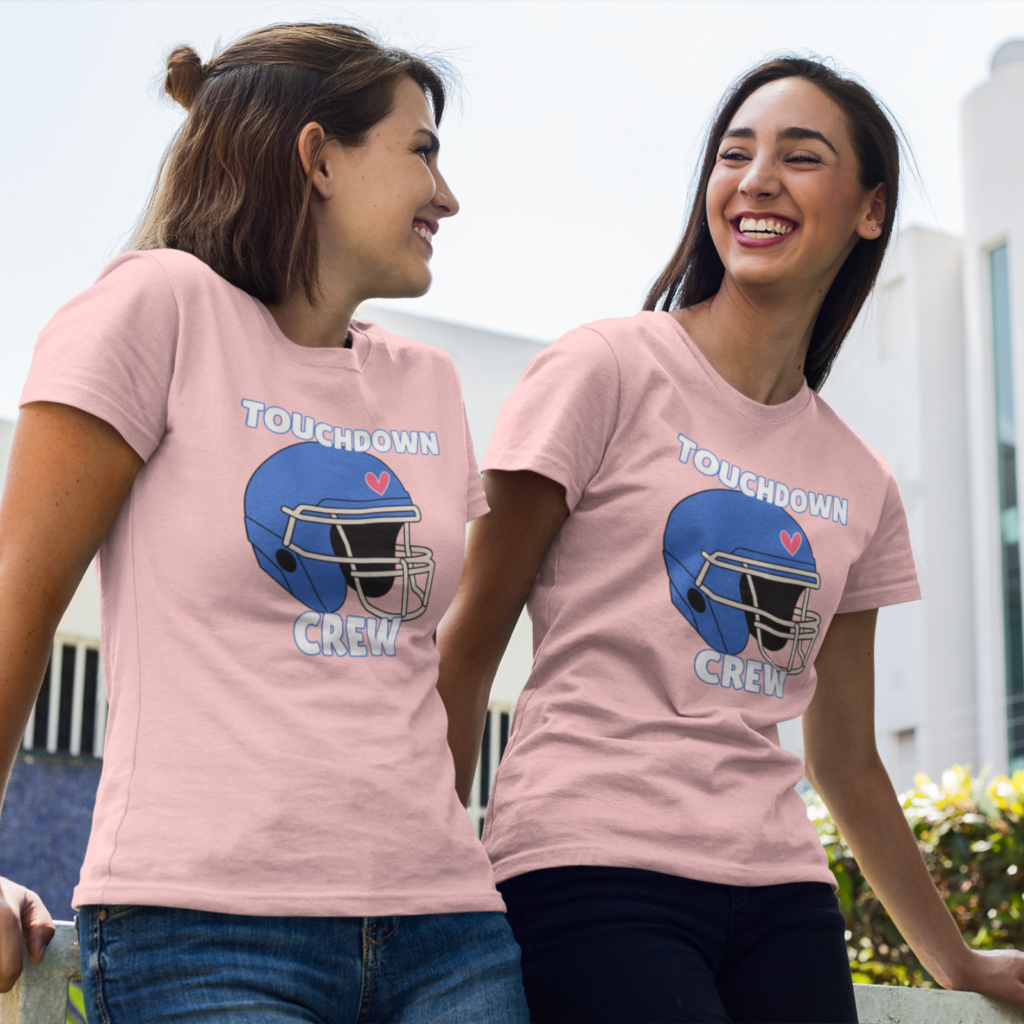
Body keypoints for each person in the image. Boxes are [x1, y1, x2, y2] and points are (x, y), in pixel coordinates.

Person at [436, 56, 1024, 1023]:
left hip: (782, 895)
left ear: (869, 209)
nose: (755, 180)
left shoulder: (859, 481)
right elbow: (468, 643)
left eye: (800, 156)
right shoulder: (601, 370)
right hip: (588, 865)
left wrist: (955, 960)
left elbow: (845, 760)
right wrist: (423, 880)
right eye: (733, 154)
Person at [0, 23, 528, 1024]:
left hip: (449, 934)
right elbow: (16, 597)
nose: (446, 197)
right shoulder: (155, 308)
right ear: (317, 156)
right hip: (206, 929)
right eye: (422, 151)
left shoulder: (430, 382)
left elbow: (428, 666)